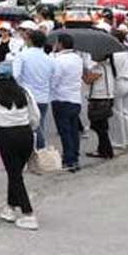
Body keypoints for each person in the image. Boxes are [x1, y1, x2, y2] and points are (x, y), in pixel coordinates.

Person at [0, 63, 41, 230]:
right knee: (16, 172)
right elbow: (35, 116)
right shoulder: (24, 92)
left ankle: (28, 213)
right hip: (25, 133)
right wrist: (31, 128)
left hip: (7, 135)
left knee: (15, 175)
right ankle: (10, 207)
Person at [11, 30, 58, 148]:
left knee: (24, 126)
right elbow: (53, 79)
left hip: (26, 95)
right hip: (43, 97)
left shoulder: (22, 55)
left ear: (30, 41)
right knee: (39, 125)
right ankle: (40, 153)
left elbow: (15, 75)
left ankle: (33, 151)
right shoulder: (49, 59)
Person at [50, 33, 84, 172]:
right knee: (73, 130)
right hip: (75, 97)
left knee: (65, 131)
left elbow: (55, 79)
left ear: (60, 44)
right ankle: (74, 156)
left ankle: (69, 159)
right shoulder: (77, 58)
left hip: (61, 98)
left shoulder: (59, 60)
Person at [84, 50, 117, 160]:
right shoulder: (108, 66)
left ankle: (106, 150)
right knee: (102, 126)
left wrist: (83, 71)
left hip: (99, 99)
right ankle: (104, 149)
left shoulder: (99, 67)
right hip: (107, 97)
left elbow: (88, 80)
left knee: (98, 126)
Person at [110, 28, 128, 149]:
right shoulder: (126, 52)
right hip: (127, 82)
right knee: (125, 113)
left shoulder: (114, 54)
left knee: (117, 113)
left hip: (118, 83)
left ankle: (120, 141)